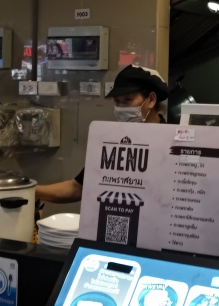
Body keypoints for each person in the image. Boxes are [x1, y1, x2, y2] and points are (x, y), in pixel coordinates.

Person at [35, 65, 167, 204]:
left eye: (128, 100)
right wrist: (32, 191)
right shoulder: (112, 143)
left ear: (151, 100)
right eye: (117, 101)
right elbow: (77, 188)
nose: (121, 108)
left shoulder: (172, 144)